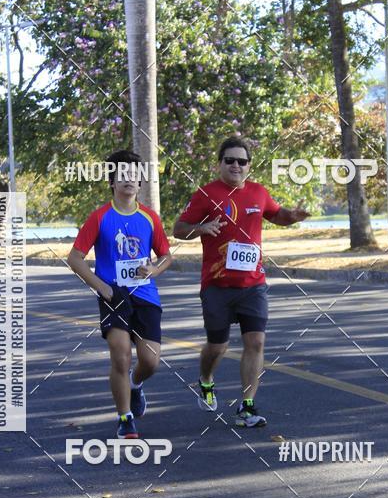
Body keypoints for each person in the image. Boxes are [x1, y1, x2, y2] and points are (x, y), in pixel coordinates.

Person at [173, 136, 310, 428]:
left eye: (242, 161)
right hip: (216, 285)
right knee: (217, 346)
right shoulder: (206, 194)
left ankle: (247, 407)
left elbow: (277, 215)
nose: (236, 165)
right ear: (219, 164)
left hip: (253, 283)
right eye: (230, 160)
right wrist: (201, 228)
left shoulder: (258, 192)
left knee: (256, 342)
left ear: (249, 165)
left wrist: (293, 217)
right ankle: (206, 380)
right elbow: (179, 229)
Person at [67, 150, 172, 439]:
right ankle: (125, 417)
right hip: (113, 295)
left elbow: (166, 257)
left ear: (140, 183)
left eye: (134, 175)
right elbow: (75, 258)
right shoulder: (100, 217)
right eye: (121, 174)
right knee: (121, 355)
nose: (128, 179)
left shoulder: (150, 218)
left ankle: (135, 386)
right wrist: (103, 288)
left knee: (150, 361)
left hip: (145, 295)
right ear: (112, 181)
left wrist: (153, 269)